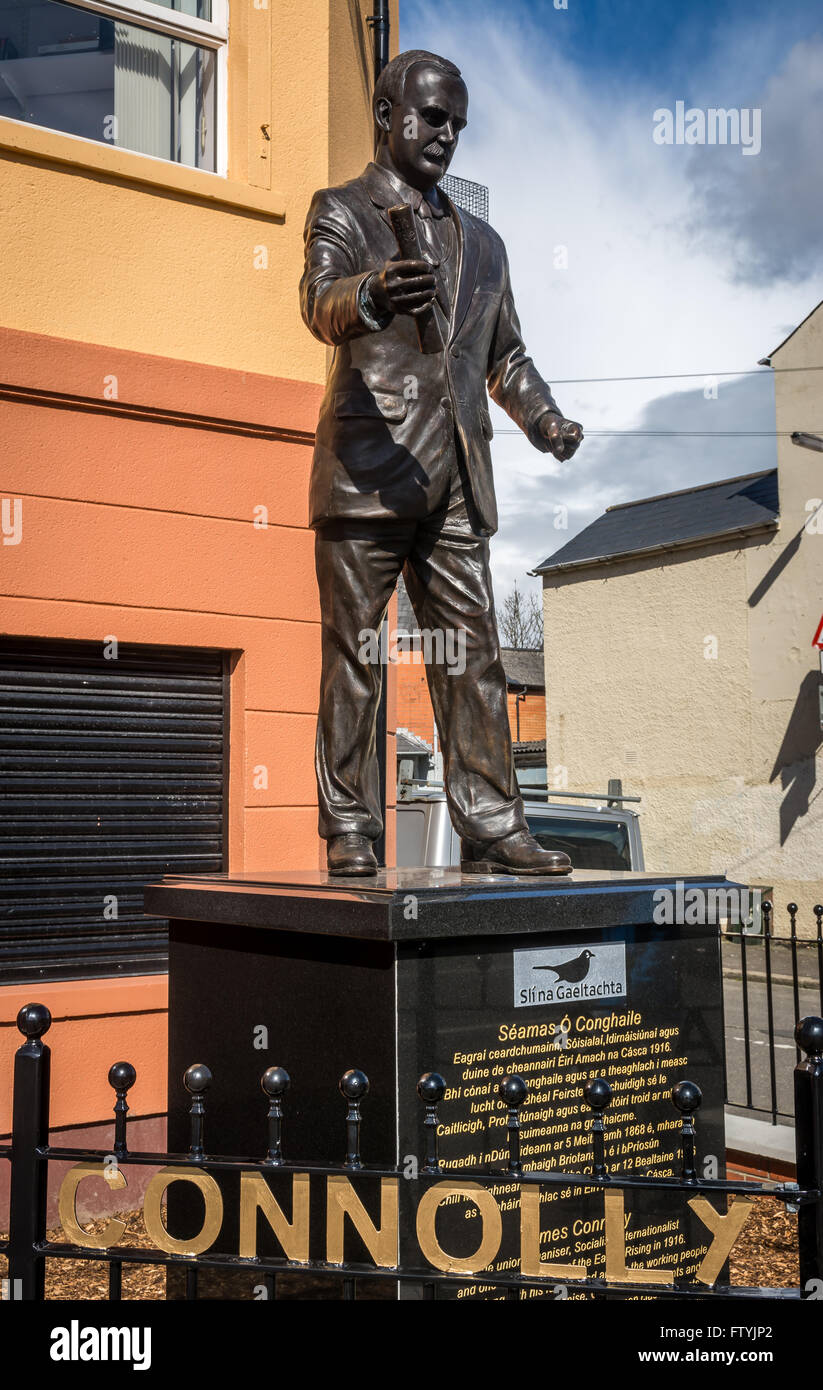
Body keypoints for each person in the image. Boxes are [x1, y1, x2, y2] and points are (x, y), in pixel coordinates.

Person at [300, 48, 583, 876]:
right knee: (356, 654)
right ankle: (350, 828)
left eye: (456, 124)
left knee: (474, 655)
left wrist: (544, 418)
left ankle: (493, 824)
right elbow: (318, 303)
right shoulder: (342, 210)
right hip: (368, 468)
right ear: (387, 115)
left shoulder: (484, 245)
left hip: (456, 479)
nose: (446, 136)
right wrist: (374, 294)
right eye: (431, 118)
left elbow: (506, 356)